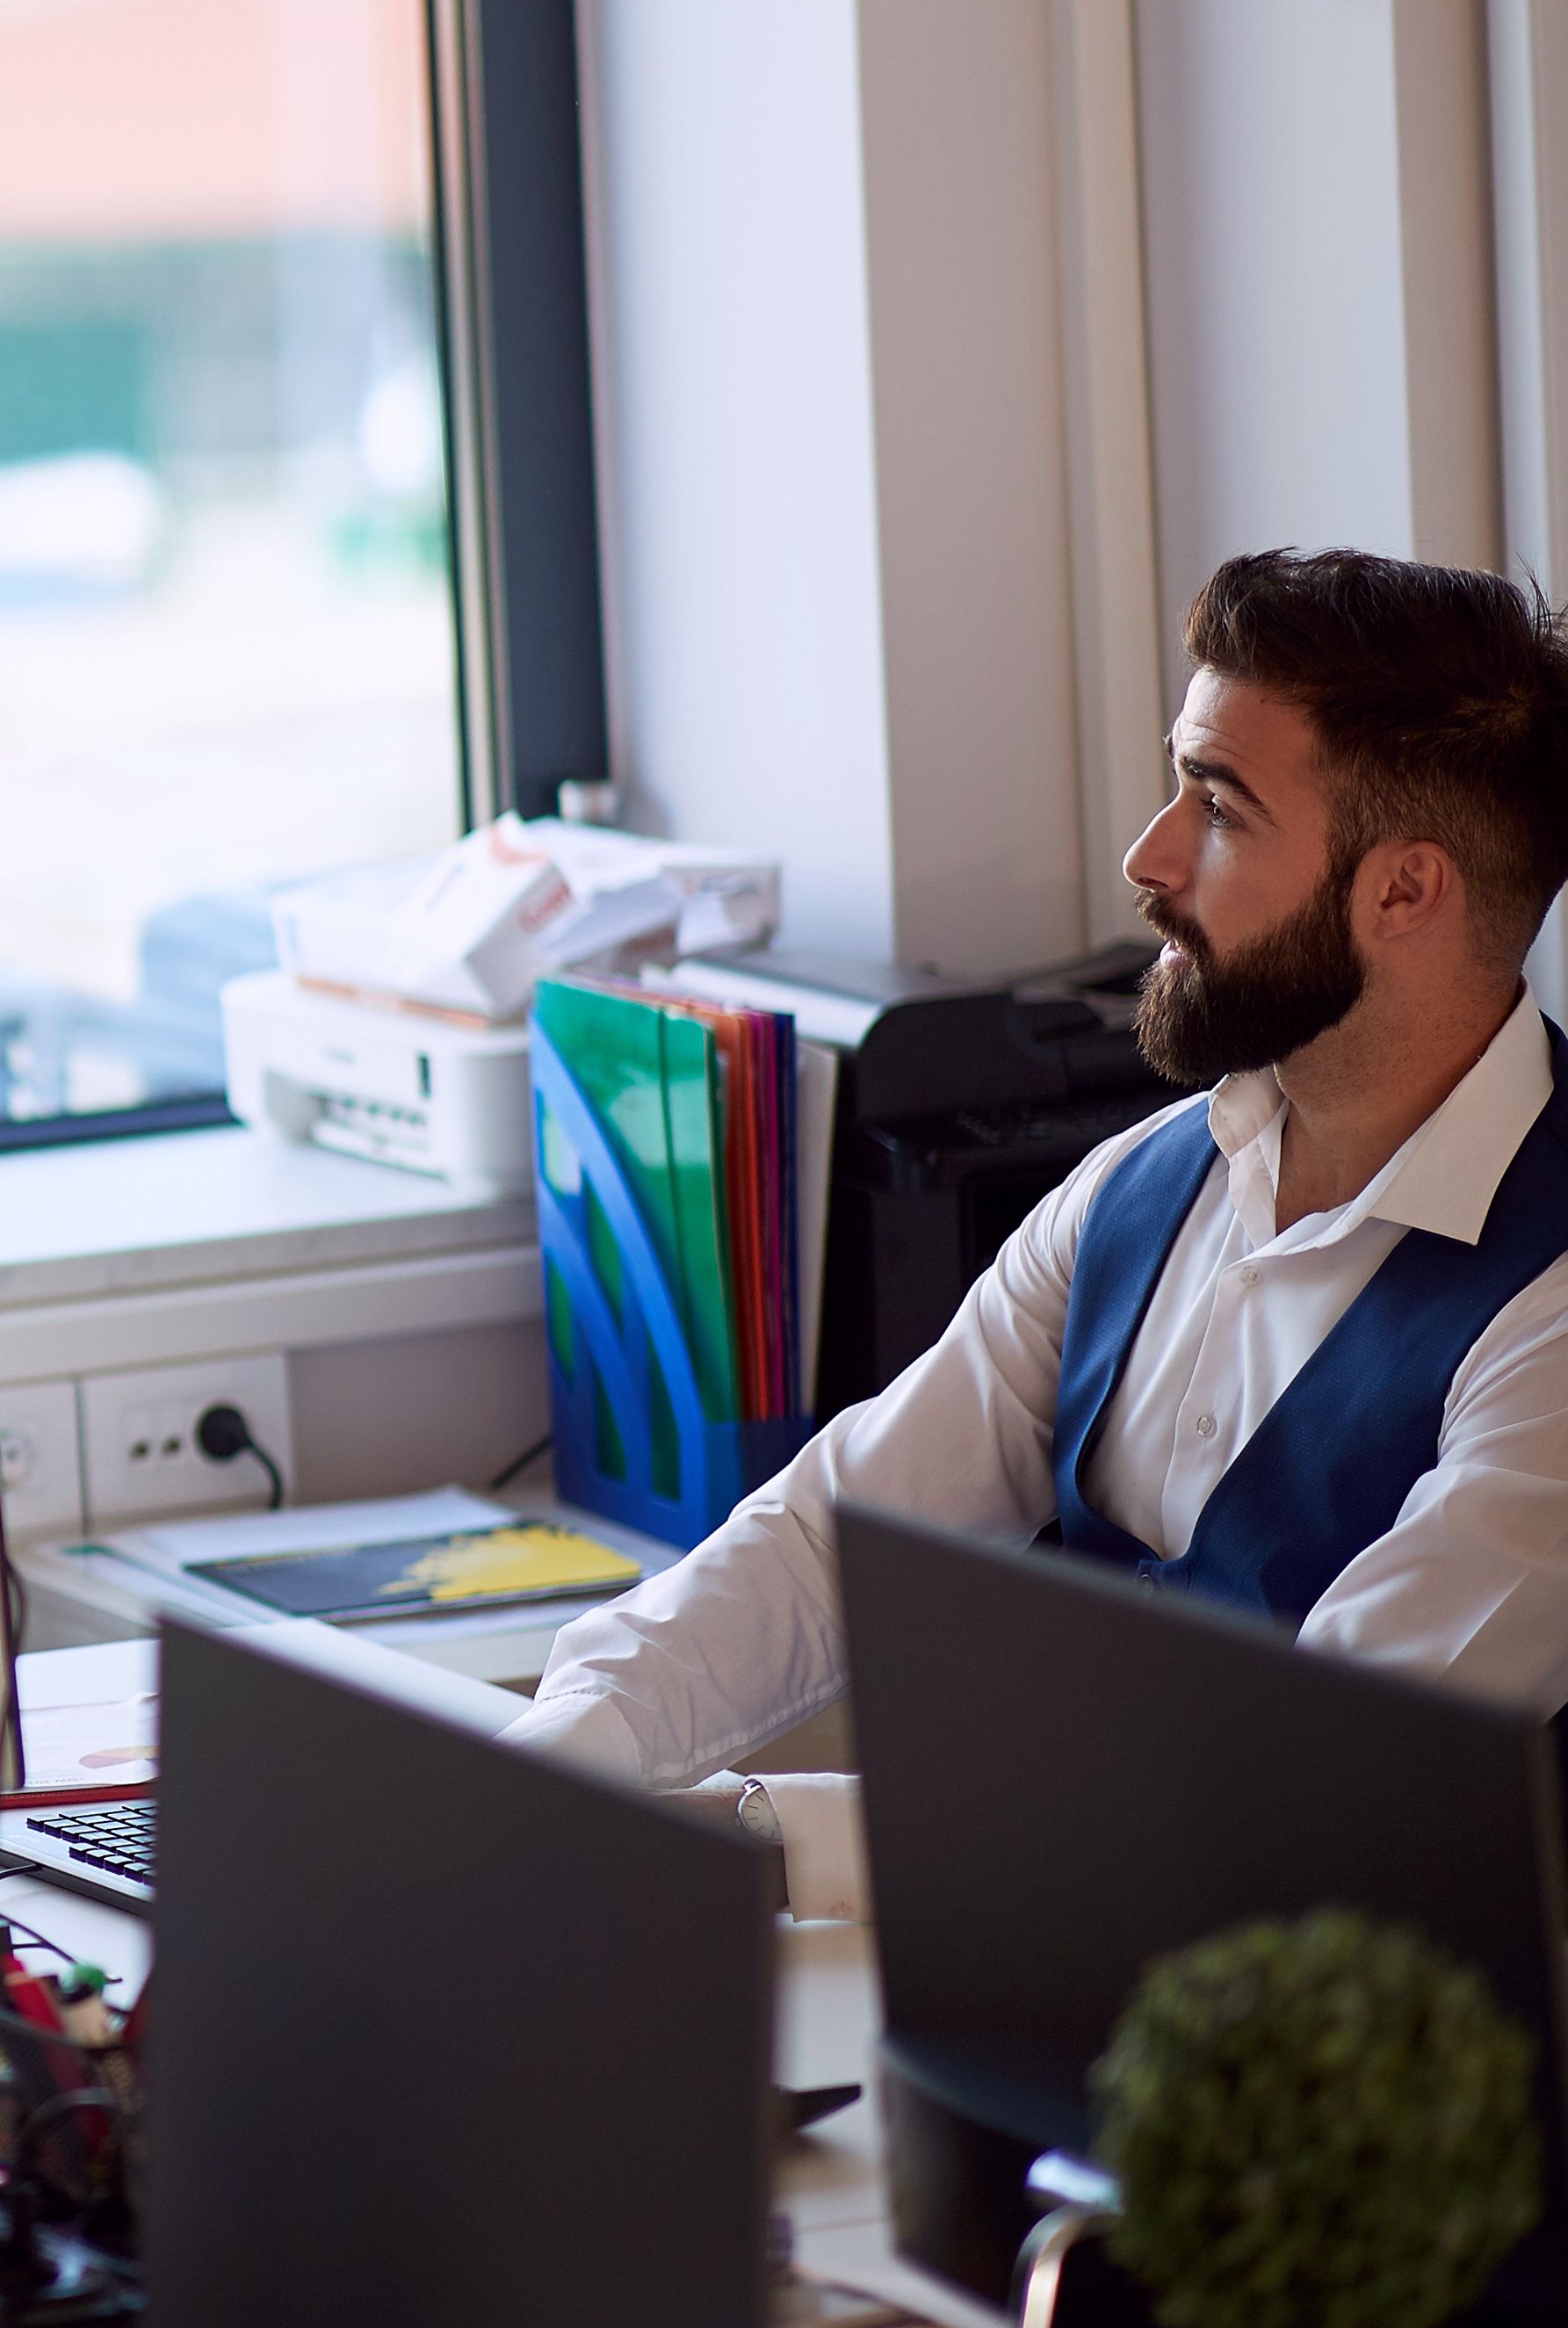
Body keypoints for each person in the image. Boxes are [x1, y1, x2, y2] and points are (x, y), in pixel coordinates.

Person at [509, 547, 1568, 1918]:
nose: (1149, 857)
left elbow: (1311, 1787)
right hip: (1045, 1978)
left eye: (1221, 806)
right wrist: (560, 1759)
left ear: (1406, 892)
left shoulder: (1547, 1306)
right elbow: (834, 1532)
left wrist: (766, 1841)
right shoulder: (1143, 1185)